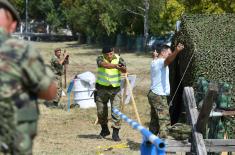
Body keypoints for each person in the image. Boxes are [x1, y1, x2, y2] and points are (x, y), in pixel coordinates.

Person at [0, 0, 57, 154]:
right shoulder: (21, 50)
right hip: (12, 143)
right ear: (12, 25)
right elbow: (50, 92)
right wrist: (45, 71)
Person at [147, 43, 184, 138]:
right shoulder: (160, 62)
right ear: (163, 53)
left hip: (153, 94)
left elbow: (157, 58)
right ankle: (164, 144)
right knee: (165, 120)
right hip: (159, 95)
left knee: (155, 120)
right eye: (168, 53)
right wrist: (176, 51)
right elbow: (168, 60)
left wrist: (154, 56)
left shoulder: (154, 62)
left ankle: (150, 142)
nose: (169, 55)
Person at [95, 47, 127, 141]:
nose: (109, 56)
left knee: (116, 111)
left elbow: (125, 71)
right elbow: (104, 65)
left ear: (113, 52)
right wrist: (115, 66)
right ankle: (105, 130)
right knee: (101, 112)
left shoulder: (119, 58)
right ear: (103, 54)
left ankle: (116, 133)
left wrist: (122, 68)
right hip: (101, 89)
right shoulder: (100, 58)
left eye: (111, 53)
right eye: (107, 54)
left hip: (115, 90)